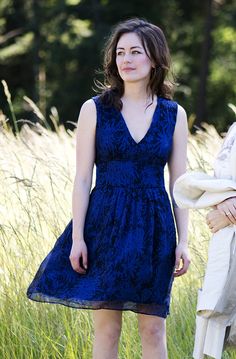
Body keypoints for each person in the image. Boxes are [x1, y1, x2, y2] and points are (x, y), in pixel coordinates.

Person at [27, 18, 190, 359]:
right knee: (107, 328)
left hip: (155, 229)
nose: (126, 59)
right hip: (104, 225)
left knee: (154, 327)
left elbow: (180, 185)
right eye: (120, 52)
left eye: (135, 52)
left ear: (155, 60)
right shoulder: (94, 109)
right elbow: (83, 178)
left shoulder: (174, 115)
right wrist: (77, 238)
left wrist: (184, 242)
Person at [173, 122, 236, 358]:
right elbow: (225, 182)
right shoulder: (234, 129)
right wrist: (222, 201)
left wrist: (228, 212)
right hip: (228, 247)